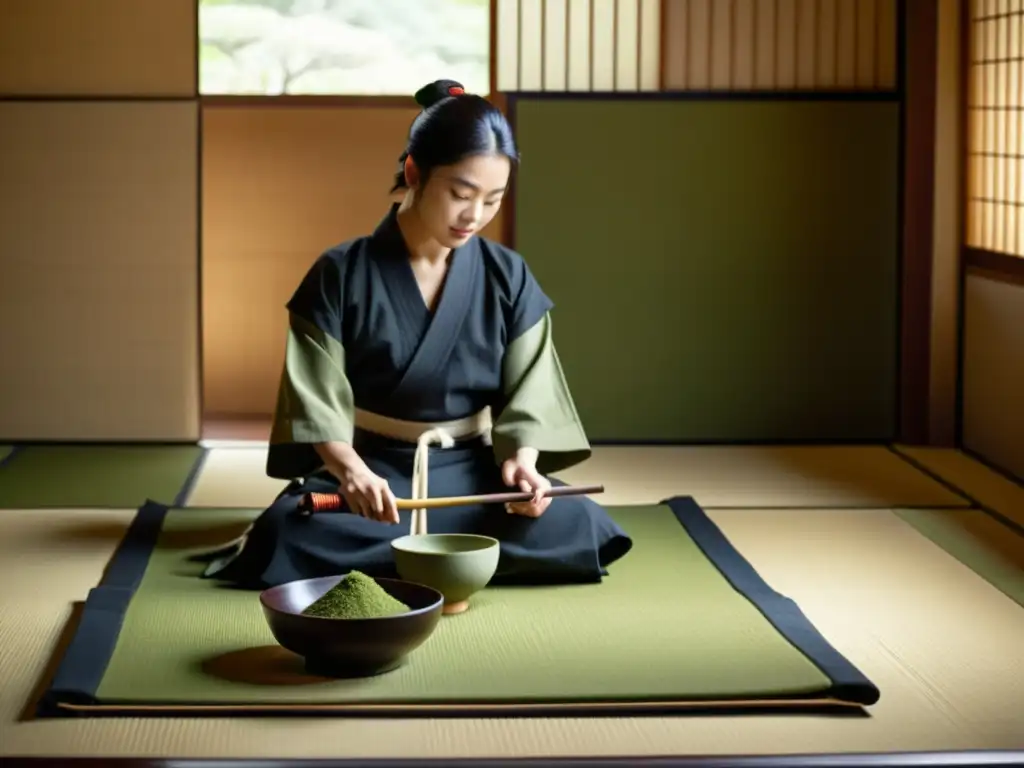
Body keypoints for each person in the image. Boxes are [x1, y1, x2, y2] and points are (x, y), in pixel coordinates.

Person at [201, 79, 633, 589]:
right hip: (375, 476)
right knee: (287, 531)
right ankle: (457, 558)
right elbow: (313, 397)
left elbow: (531, 393)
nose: (475, 216)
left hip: (475, 477)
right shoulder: (340, 272)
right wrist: (350, 472)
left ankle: (417, 555)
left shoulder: (507, 275)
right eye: (460, 194)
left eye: (493, 200)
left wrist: (523, 465)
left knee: (579, 522)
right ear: (413, 172)